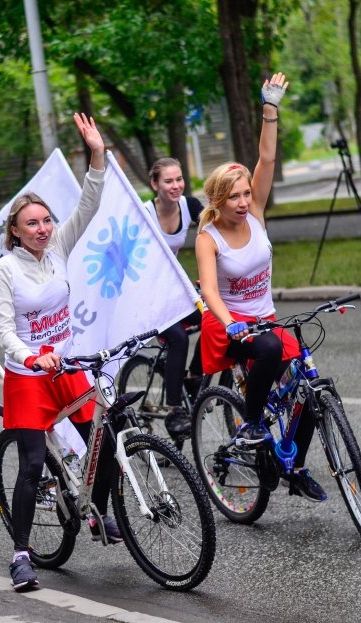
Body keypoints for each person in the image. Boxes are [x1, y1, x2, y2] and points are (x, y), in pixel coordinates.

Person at [0, 112, 114, 591]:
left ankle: (97, 512)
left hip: (65, 364)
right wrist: (31, 357)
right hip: (28, 374)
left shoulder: (60, 245)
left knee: (106, 438)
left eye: (46, 221)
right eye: (32, 224)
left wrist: (97, 153)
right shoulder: (6, 269)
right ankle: (21, 555)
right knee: (33, 464)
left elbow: (90, 201)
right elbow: (5, 331)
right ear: (16, 232)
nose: (42, 229)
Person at [195, 72, 327, 503]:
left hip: (265, 319)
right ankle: (251, 423)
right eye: (233, 196)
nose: (242, 201)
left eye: (246, 193)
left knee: (310, 385)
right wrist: (232, 322)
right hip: (229, 325)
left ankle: (296, 464)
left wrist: (270, 109)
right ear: (217, 200)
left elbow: (266, 161)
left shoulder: (256, 215)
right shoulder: (208, 237)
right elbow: (210, 291)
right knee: (269, 350)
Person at [144, 157, 204, 437]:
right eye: (168, 181)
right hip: (148, 295)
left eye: (179, 179)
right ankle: (174, 409)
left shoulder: (189, 206)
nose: (176, 185)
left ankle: (193, 376)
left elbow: (215, 232)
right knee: (178, 338)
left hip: (176, 289)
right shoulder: (143, 213)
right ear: (155, 184)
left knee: (216, 318)